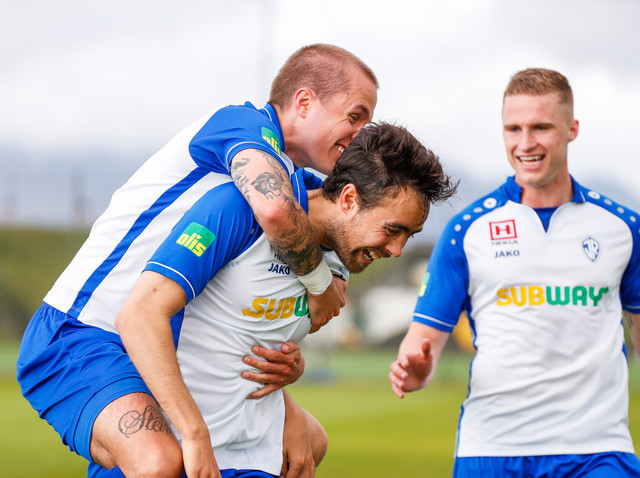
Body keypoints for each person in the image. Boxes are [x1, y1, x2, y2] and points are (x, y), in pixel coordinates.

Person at [16, 43, 378, 477]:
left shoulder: (301, 182)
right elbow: (274, 210)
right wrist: (320, 284)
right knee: (158, 462)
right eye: (355, 116)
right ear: (303, 102)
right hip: (82, 331)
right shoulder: (242, 126)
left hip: (155, 340)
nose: (360, 134)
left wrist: (286, 376)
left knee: (311, 441)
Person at [21, 122, 458, 477]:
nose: (397, 250)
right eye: (393, 230)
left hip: (255, 454)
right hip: (182, 447)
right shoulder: (238, 209)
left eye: (409, 235)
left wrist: (289, 389)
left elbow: (250, 337)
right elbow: (142, 315)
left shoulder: (338, 264)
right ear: (347, 199)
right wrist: (194, 436)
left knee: (317, 443)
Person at [389, 68, 640, 477]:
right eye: (513, 129)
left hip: (597, 450)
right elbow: (423, 341)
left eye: (540, 127)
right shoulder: (466, 230)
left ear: (571, 129)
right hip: (491, 450)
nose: (525, 143)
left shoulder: (623, 228)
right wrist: (414, 370)